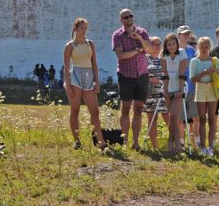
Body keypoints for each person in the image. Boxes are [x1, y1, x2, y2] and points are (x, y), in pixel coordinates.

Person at [112, 9, 157, 150]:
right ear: (121, 20)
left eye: (130, 16)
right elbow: (121, 56)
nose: (129, 19)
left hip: (142, 74)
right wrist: (137, 51)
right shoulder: (118, 35)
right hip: (126, 75)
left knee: (138, 109)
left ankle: (135, 142)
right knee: (125, 108)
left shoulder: (142, 32)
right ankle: (124, 141)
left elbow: (150, 50)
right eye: (125, 17)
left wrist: (139, 39)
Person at [63, 18, 106, 149]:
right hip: (75, 77)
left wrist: (97, 82)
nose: (84, 31)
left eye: (86, 28)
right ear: (75, 29)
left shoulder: (90, 44)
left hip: (89, 76)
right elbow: (66, 66)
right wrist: (68, 85)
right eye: (82, 28)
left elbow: (94, 63)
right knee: (75, 110)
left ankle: (101, 142)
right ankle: (77, 141)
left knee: (95, 111)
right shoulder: (69, 46)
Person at [189, 36, 219, 156]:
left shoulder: (215, 60)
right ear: (198, 47)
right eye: (202, 47)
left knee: (212, 118)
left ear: (210, 47)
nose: (204, 49)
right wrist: (204, 73)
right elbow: (192, 79)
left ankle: (211, 146)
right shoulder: (194, 61)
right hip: (200, 88)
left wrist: (216, 71)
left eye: (206, 47)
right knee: (202, 119)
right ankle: (203, 146)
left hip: (212, 88)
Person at [161, 33, 188, 153]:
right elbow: (165, 74)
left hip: (179, 87)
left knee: (173, 116)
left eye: (173, 43)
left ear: (177, 44)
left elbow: (182, 73)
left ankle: (172, 143)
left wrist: (180, 90)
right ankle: (175, 145)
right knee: (172, 118)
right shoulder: (163, 55)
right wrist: (166, 90)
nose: (171, 46)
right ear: (165, 46)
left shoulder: (182, 53)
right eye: (169, 44)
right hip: (168, 87)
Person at [177, 26, 200, 150]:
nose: (185, 36)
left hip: (192, 88)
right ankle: (181, 144)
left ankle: (196, 144)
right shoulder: (174, 49)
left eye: (187, 34)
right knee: (180, 118)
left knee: (196, 117)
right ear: (178, 35)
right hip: (179, 88)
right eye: (183, 34)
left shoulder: (192, 50)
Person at [143, 36, 166, 150]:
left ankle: (175, 143)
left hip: (164, 92)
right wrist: (149, 79)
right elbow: (140, 74)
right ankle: (154, 146)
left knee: (169, 117)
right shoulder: (144, 58)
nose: (156, 46)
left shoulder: (165, 58)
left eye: (159, 44)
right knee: (152, 118)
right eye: (153, 43)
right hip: (151, 93)